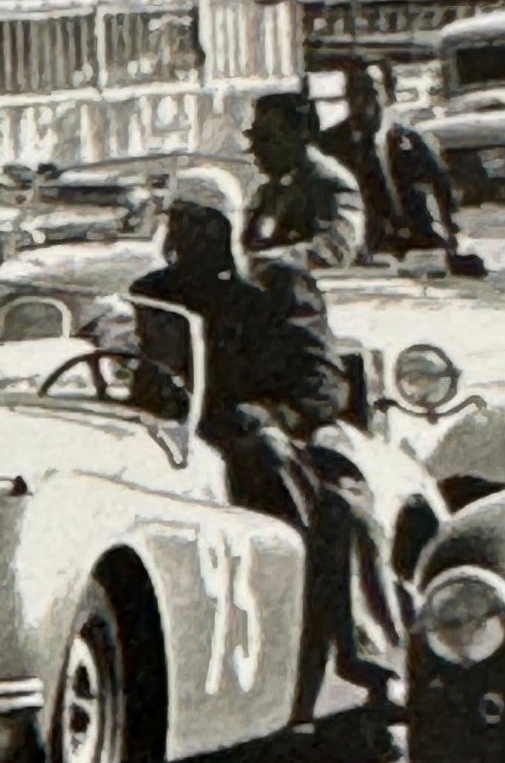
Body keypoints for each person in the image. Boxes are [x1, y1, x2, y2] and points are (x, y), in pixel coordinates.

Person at [132, 167, 406, 707]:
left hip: (278, 434)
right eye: (174, 221)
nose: (176, 235)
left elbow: (322, 384)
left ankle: (359, 654)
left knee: (336, 508)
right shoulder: (154, 293)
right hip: (179, 436)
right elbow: (143, 368)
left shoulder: (278, 285)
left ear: (218, 227)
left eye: (190, 222)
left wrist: (264, 415)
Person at [318, 59, 475, 265]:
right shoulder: (332, 146)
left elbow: (444, 192)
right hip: (368, 252)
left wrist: (452, 236)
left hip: (422, 245)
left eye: (370, 93)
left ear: (388, 95)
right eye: (354, 93)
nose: (361, 103)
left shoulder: (412, 143)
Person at [244, 90, 367, 270]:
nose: (254, 148)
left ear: (301, 135)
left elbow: (335, 250)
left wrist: (264, 263)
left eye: (266, 138)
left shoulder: (332, 185)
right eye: (253, 136)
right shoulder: (271, 191)